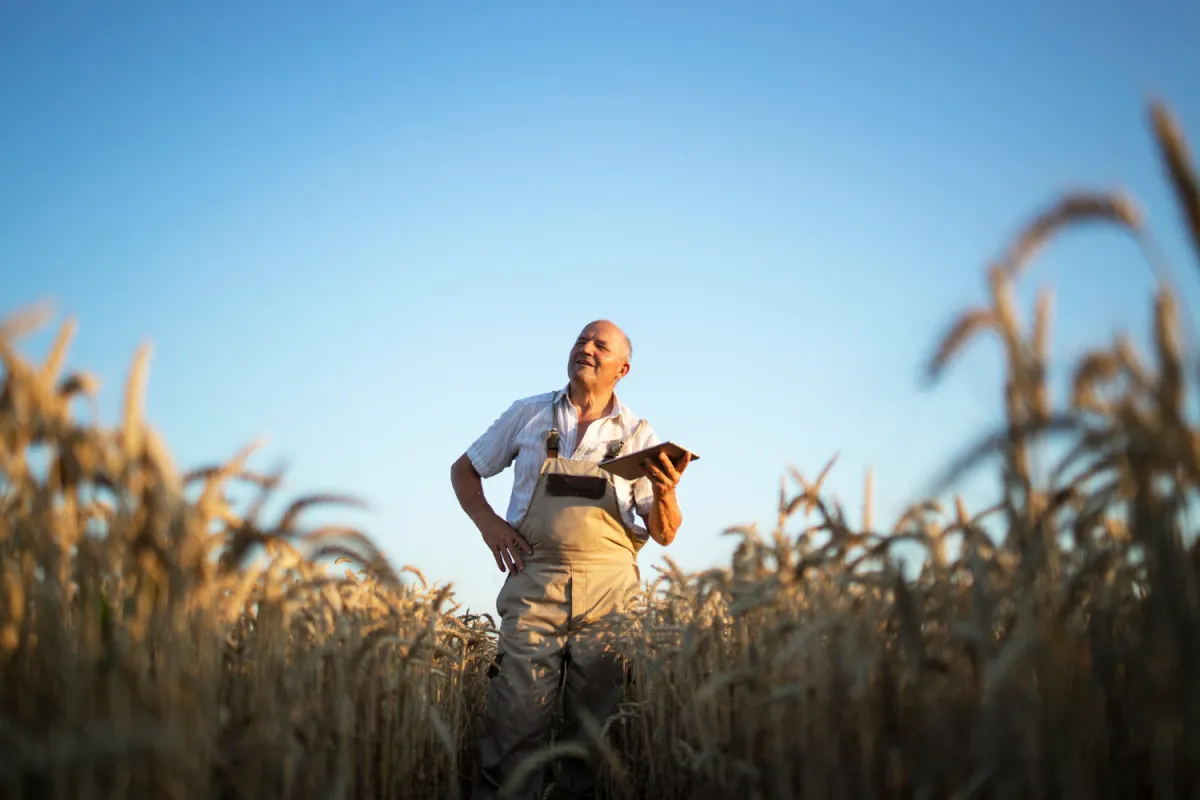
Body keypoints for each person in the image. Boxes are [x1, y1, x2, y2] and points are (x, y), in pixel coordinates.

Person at [451, 319, 690, 799]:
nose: (587, 348)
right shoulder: (529, 414)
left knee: (595, 730)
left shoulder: (641, 434)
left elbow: (665, 534)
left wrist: (666, 493)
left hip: (610, 597)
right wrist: (488, 523)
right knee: (515, 715)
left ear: (622, 368)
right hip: (533, 581)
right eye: (582, 340)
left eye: (601, 345)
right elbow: (464, 470)